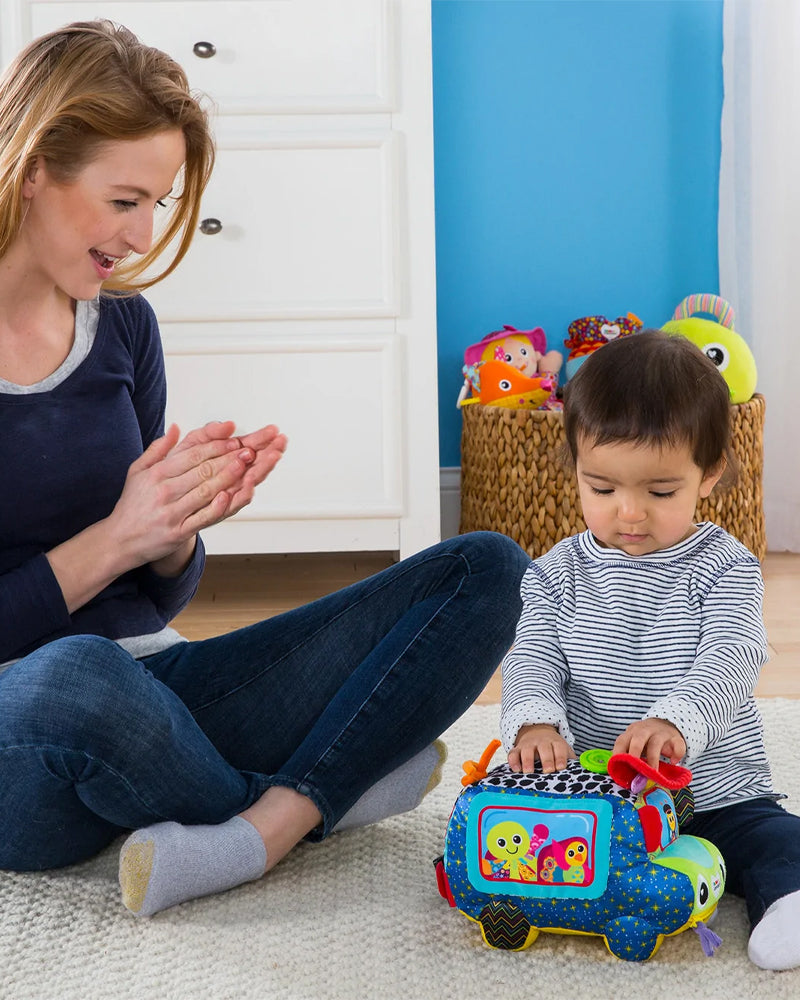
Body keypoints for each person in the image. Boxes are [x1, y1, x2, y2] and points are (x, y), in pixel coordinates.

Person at [0, 20, 530, 918]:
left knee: (487, 569)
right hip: (31, 732)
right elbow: (78, 625)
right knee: (74, 672)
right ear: (38, 163)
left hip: (158, 699)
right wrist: (116, 535)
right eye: (125, 200)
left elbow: (157, 604)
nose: (140, 235)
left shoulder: (123, 328)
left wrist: (173, 535)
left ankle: (265, 826)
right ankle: (322, 790)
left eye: (157, 205)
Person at [500, 328, 800, 971]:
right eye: (602, 489)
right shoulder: (557, 572)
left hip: (713, 796)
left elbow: (733, 654)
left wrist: (675, 720)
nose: (628, 513)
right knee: (504, 842)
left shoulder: (724, 567)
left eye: (660, 492)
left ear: (709, 473)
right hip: (596, 805)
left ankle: (790, 898)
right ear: (575, 468)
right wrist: (534, 721)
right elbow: (534, 658)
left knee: (775, 843)